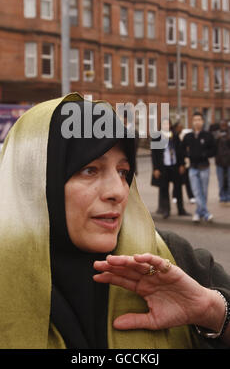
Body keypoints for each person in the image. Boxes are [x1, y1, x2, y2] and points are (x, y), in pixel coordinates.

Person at [0, 92, 230, 349]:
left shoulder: (173, 262)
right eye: (90, 170)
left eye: (123, 172)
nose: (119, 191)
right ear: (34, 181)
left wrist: (212, 311)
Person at [151, 118, 190, 219]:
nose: (166, 126)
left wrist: (182, 164)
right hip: (163, 167)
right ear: (161, 126)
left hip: (175, 166)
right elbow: (154, 154)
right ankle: (166, 210)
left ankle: (181, 209)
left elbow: (180, 151)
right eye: (164, 124)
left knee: (178, 188)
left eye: (168, 124)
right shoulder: (157, 137)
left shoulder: (175, 136)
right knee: (164, 189)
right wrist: (155, 168)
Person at [182, 111, 216, 222]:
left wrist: (204, 154)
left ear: (203, 121)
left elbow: (214, 150)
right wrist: (188, 155)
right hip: (192, 167)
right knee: (196, 192)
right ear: (192, 122)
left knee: (204, 192)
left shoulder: (208, 135)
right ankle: (205, 213)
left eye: (199, 120)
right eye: (195, 120)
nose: (197, 122)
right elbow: (181, 149)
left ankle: (198, 212)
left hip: (204, 167)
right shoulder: (188, 136)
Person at [172, 121, 195, 205]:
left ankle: (191, 196)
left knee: (187, 180)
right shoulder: (173, 136)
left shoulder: (185, 136)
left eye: (182, 127)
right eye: (179, 127)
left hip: (185, 162)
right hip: (176, 163)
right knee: (177, 181)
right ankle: (174, 196)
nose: (181, 128)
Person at [215, 120, 230, 205]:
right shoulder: (217, 134)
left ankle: (228, 196)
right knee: (221, 181)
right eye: (222, 125)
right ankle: (222, 196)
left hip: (229, 161)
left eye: (225, 125)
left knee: (229, 180)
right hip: (219, 161)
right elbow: (213, 146)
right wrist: (217, 138)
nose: (223, 126)